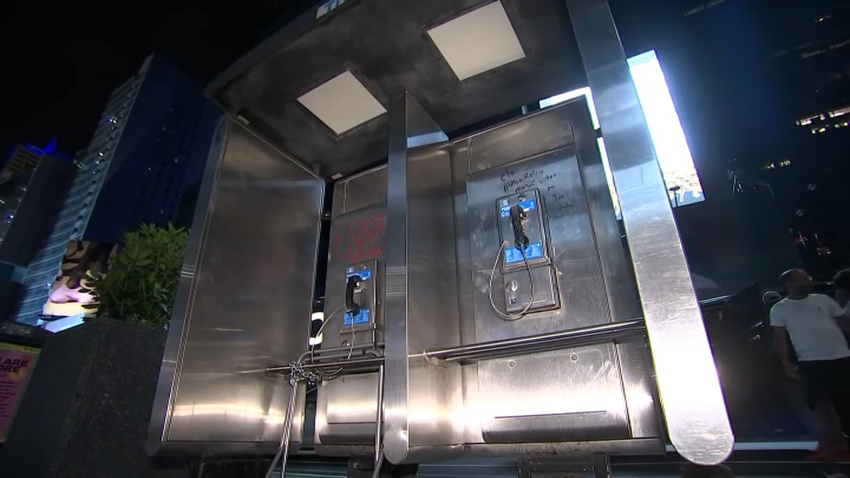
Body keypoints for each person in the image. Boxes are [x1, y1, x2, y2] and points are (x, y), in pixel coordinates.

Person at [771, 269, 850, 468]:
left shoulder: (823, 300)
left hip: (841, 358)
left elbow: (843, 323)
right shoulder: (780, 309)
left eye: (808, 278)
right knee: (822, 407)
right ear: (790, 283)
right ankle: (834, 451)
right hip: (812, 362)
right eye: (804, 279)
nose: (809, 281)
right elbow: (779, 338)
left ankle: (839, 445)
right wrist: (786, 363)